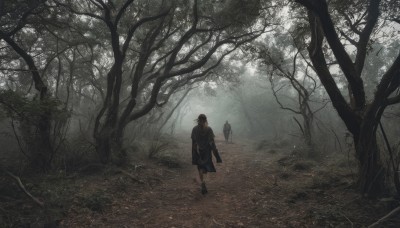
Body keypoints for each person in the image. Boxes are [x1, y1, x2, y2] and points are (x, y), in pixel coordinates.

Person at [191, 114, 222, 195]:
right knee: (205, 167)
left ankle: (202, 183)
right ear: (205, 120)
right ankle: (203, 182)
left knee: (200, 168)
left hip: (198, 151)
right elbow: (212, 142)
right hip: (207, 152)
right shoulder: (208, 129)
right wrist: (216, 155)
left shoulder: (194, 129)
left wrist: (194, 154)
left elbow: (194, 143)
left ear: (198, 120)